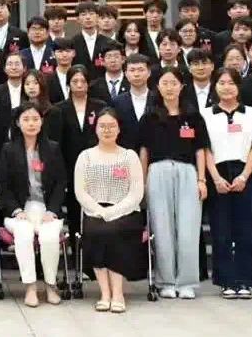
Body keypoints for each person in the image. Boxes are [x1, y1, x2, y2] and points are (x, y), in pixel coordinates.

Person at [139, 67, 209, 300]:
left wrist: (201, 179)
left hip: (187, 172)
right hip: (157, 172)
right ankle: (166, 281)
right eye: (165, 83)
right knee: (161, 229)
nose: (169, 87)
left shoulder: (193, 117)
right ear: (157, 87)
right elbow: (144, 151)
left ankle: (187, 282)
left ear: (182, 86)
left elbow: (200, 150)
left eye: (173, 83)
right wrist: (143, 181)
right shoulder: (149, 117)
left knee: (189, 228)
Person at [201, 68, 252, 299]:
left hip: (245, 173)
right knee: (221, 230)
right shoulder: (206, 114)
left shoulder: (251, 113)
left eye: (231, 83)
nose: (226, 87)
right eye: (221, 83)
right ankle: (226, 280)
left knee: (246, 229)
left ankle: (245, 280)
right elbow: (205, 148)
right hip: (217, 173)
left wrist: (244, 176)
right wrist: (215, 178)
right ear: (214, 86)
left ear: (239, 87)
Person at [74, 109, 146, 313]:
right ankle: (105, 293)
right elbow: (81, 192)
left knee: (114, 232)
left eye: (111, 126)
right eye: (102, 126)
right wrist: (99, 210)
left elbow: (136, 193)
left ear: (119, 128)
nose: (107, 130)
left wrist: (114, 211)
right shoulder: (86, 156)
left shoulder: (129, 156)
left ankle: (118, 294)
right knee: (96, 231)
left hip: (126, 212)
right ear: (95, 128)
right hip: (95, 211)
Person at [0, 102, 67, 307]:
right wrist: (16, 210)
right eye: (26, 119)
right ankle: (30, 286)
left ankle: (50, 285)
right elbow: (3, 185)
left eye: (35, 119)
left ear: (42, 122)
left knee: (49, 236)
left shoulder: (52, 148)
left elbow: (61, 182)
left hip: (46, 208)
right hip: (20, 209)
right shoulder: (8, 149)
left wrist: (52, 210)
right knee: (24, 233)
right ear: (18, 123)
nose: (31, 123)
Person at [54, 65, 106, 238]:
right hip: (70, 166)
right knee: (74, 209)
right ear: (68, 84)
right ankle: (76, 247)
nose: (79, 85)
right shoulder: (59, 109)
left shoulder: (99, 106)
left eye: (83, 81)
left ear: (88, 83)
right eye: (74, 81)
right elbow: (57, 142)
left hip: (96, 164)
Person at [111, 54, 155, 152]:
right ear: (125, 73)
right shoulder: (117, 102)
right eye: (132, 70)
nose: (136, 74)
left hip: (153, 154)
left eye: (141, 70)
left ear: (149, 72)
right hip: (124, 154)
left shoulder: (158, 100)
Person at [71, 0, 111, 78]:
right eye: (83, 14)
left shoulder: (108, 43)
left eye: (91, 14)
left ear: (97, 17)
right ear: (78, 19)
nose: (88, 17)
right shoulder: (72, 43)